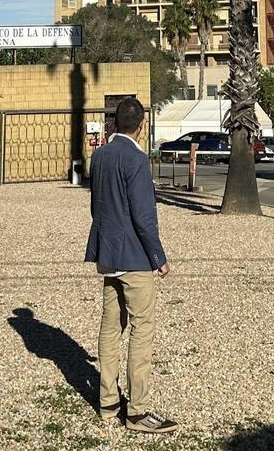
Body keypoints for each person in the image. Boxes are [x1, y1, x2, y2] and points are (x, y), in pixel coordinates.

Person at [84, 96, 178, 434]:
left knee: (110, 328)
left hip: (108, 254)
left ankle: (107, 401)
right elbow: (144, 215)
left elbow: (97, 206)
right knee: (142, 329)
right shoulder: (136, 160)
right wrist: (159, 257)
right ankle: (137, 411)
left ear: (114, 123)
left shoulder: (100, 155)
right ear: (141, 125)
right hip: (135, 257)